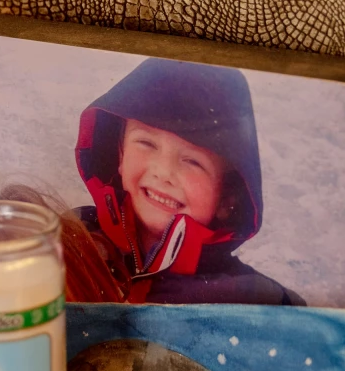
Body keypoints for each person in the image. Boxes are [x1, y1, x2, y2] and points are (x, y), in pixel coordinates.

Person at [74, 57, 304, 304]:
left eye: (193, 161)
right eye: (146, 143)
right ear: (120, 155)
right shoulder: (70, 239)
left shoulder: (260, 302)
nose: (163, 171)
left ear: (227, 198)